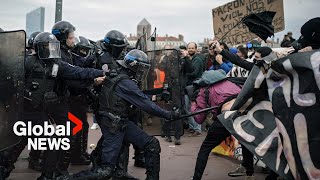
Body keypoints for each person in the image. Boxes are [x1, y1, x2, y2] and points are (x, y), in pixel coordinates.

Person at [60, 49, 180, 180]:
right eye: (141, 68)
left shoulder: (121, 76)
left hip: (119, 122)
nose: (143, 72)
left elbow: (138, 96)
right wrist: (169, 115)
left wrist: (158, 93)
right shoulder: (125, 82)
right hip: (114, 126)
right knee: (105, 171)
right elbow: (146, 104)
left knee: (152, 145)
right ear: (134, 66)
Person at [0, 32, 105, 180]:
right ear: (39, 48)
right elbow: (9, 81)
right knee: (14, 146)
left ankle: (47, 176)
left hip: (39, 113)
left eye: (53, 47)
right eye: (47, 47)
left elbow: (79, 72)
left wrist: (101, 72)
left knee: (52, 142)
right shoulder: (27, 62)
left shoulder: (57, 64)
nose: (51, 50)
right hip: (24, 112)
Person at [189, 70, 256, 180]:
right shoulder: (233, 82)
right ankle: (249, 174)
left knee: (205, 149)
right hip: (245, 114)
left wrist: (193, 103)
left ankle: (196, 178)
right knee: (245, 141)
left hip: (226, 117)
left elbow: (199, 118)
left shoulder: (204, 90)